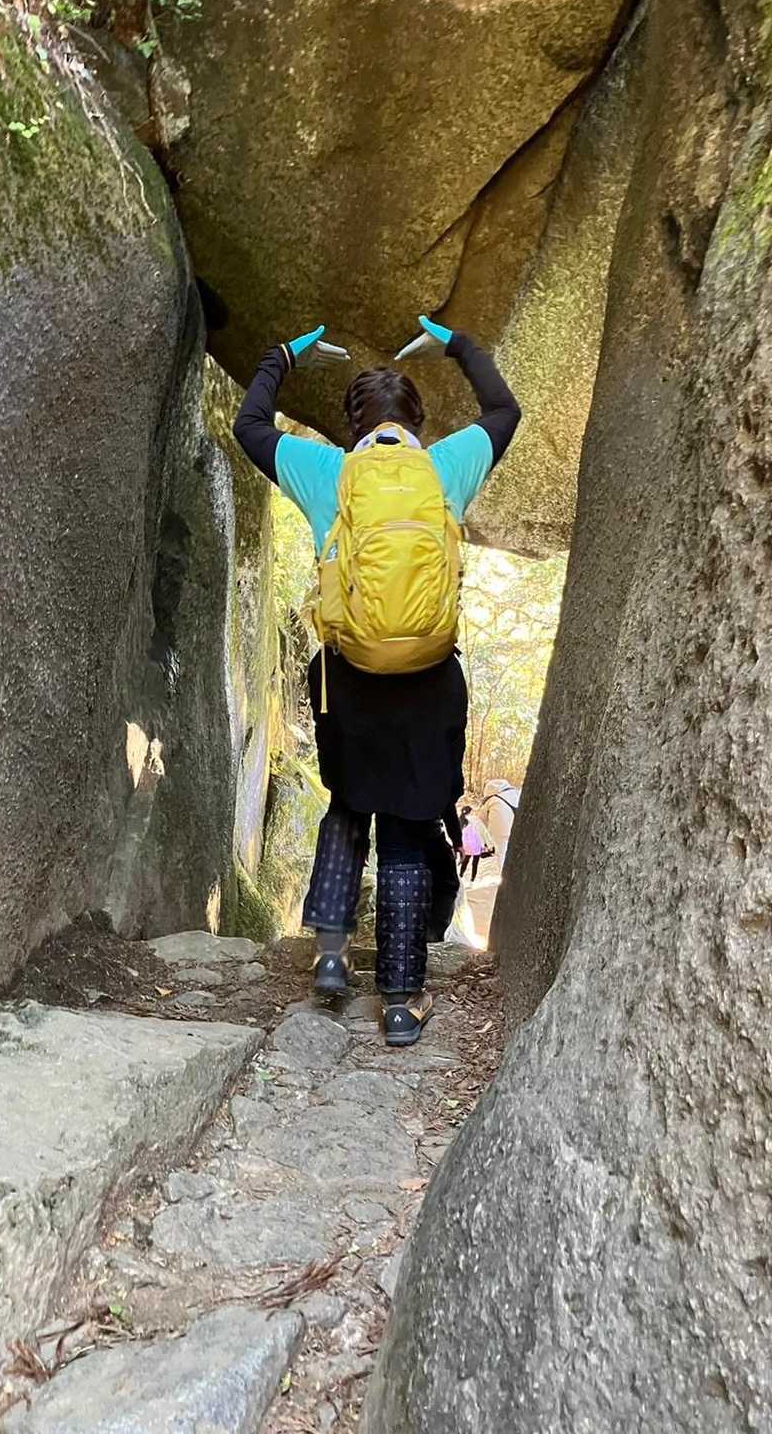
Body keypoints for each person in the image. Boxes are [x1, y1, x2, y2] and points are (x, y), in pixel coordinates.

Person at [234, 314, 520, 1045]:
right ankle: (399, 1000)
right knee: (405, 828)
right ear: (417, 422)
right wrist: (460, 345)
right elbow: (504, 410)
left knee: (348, 803)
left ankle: (330, 957)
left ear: (351, 424)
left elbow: (250, 426)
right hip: (429, 682)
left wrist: (281, 356)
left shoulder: (329, 472)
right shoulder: (447, 466)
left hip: (348, 681)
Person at [480, 778, 520, 872]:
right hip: (518, 829)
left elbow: (480, 821)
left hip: (500, 834)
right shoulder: (515, 793)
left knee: (501, 855)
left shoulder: (491, 800)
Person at [458, 805, 486, 883]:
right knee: (475, 864)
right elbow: (479, 834)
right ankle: (472, 880)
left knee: (465, 862)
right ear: (470, 812)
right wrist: (483, 845)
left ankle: (460, 876)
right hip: (476, 846)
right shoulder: (474, 820)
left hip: (466, 846)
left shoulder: (461, 821)